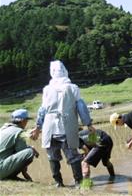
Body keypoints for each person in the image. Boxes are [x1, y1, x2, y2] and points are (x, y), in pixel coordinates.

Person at [30, 60, 94, 188]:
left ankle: (58, 183)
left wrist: (37, 128)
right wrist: (88, 124)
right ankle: (78, 182)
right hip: (67, 126)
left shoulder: (47, 89)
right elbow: (81, 106)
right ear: (65, 71)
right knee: (73, 156)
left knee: (52, 156)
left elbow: (42, 110)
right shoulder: (73, 88)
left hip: (50, 127)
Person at [0, 109, 39, 181]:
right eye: (26, 120)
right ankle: (7, 176)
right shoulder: (19, 132)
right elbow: (23, 153)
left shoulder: (3, 129)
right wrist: (25, 174)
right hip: (1, 168)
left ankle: (8, 175)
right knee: (29, 152)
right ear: (23, 121)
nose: (27, 122)